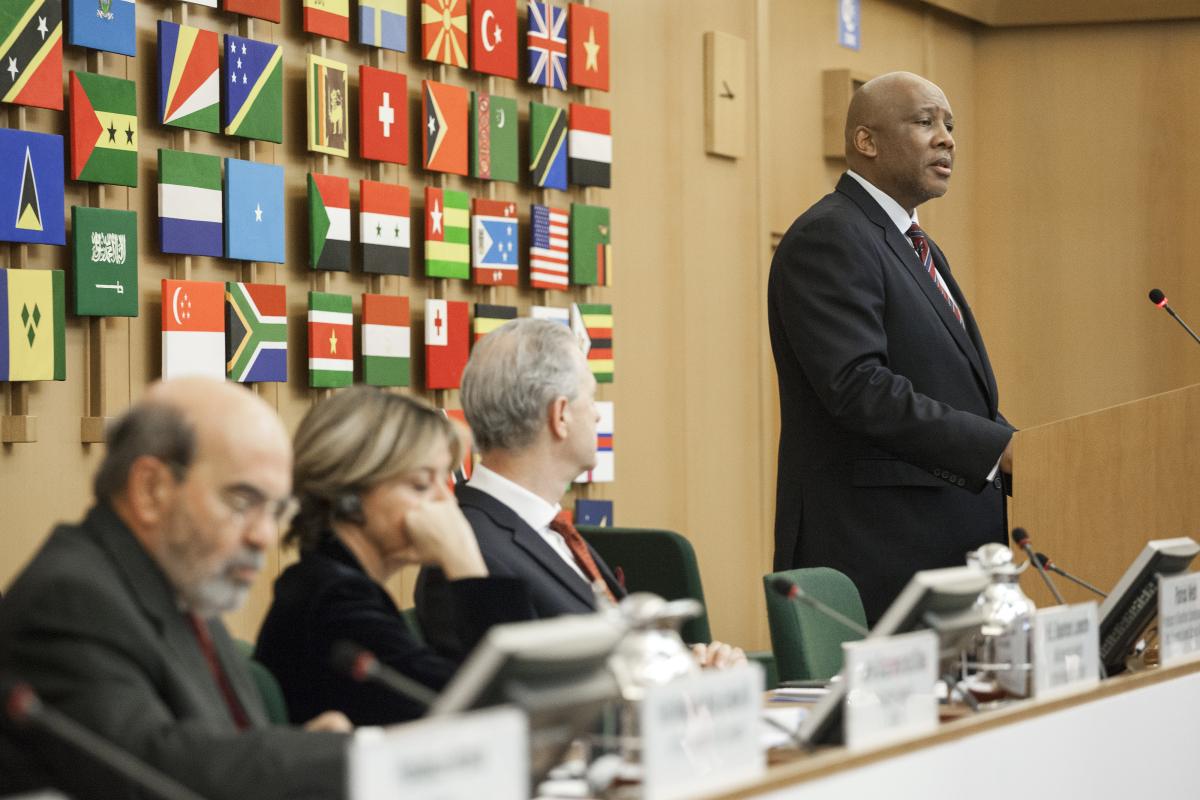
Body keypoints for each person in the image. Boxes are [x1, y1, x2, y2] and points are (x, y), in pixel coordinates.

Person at [0, 378, 349, 800]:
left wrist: (302, 752)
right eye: (243, 501)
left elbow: (216, 747)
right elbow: (154, 771)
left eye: (276, 510)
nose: (264, 536)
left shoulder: (183, 587)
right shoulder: (69, 599)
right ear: (151, 489)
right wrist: (340, 758)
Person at [767, 71, 1015, 625]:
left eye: (950, 125)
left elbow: (948, 388)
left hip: (938, 551)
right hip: (877, 551)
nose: (947, 137)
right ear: (867, 142)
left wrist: (1025, 449)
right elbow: (859, 388)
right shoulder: (829, 236)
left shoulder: (912, 244)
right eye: (925, 122)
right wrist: (994, 448)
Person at [416, 318, 743, 668]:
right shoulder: (465, 552)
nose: (598, 417)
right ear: (560, 415)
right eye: (591, 398)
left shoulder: (551, 527)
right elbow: (524, 699)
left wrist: (686, 667)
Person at [255, 387, 533, 725]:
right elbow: (501, 707)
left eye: (443, 482)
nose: (445, 503)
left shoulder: (329, 583)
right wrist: (465, 560)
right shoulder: (334, 602)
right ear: (349, 495)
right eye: (419, 485)